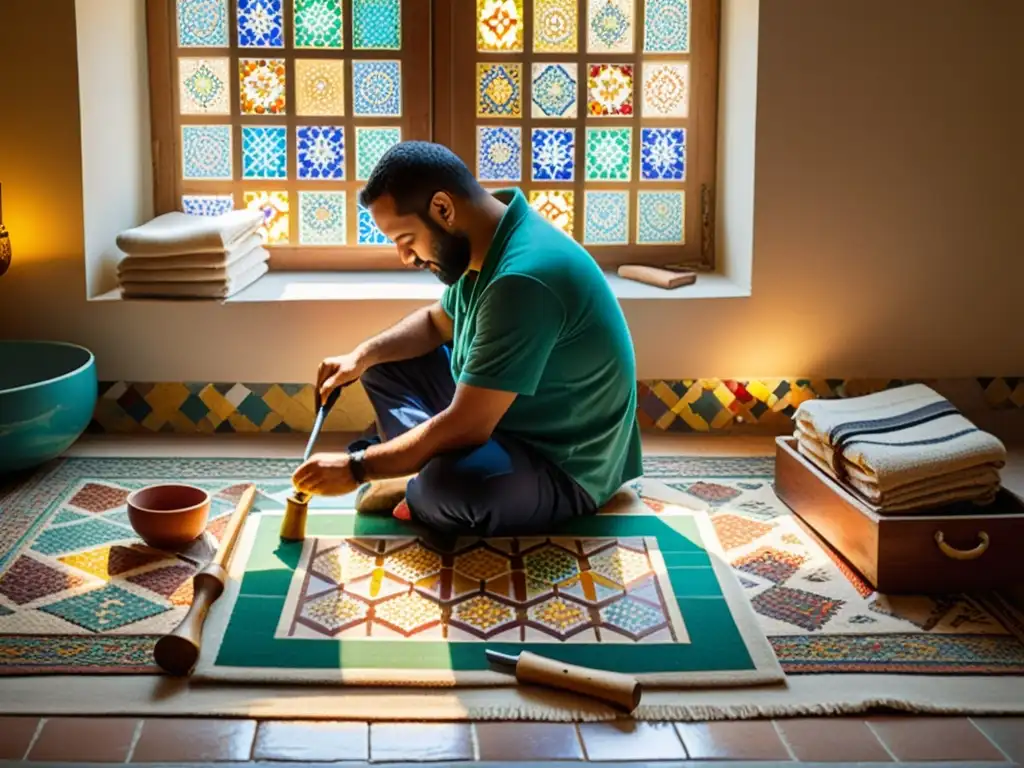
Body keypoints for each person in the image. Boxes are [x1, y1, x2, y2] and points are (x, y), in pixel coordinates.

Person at [292, 141, 642, 536]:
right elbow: (434, 323)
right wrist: (361, 356)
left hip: (565, 462)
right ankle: (411, 466)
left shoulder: (522, 280)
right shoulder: (492, 241)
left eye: (407, 240)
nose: (406, 258)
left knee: (453, 488)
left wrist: (359, 469)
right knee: (381, 363)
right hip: (502, 414)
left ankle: (413, 480)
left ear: (443, 209)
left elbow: (467, 425)